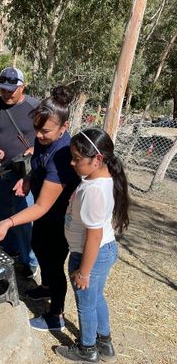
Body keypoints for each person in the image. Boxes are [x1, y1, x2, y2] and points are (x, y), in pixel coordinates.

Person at [0, 85, 80, 331]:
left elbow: (41, 206)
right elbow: (38, 164)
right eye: (36, 128)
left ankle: (56, 315)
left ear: (64, 128)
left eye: (45, 131)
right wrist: (28, 179)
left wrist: (8, 222)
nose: (38, 135)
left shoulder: (63, 156)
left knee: (53, 262)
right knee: (38, 246)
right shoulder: (44, 140)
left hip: (59, 219)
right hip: (45, 215)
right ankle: (46, 287)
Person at [56, 127, 129, 363]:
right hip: (102, 252)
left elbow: (94, 237)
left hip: (90, 256)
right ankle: (104, 343)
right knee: (96, 298)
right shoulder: (98, 179)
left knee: (86, 304)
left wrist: (84, 272)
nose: (72, 163)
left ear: (97, 159)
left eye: (77, 158)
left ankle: (87, 349)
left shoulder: (94, 191)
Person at [0, 66, 39, 278]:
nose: (6, 94)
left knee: (24, 219)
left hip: (26, 173)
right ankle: (8, 251)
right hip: (1, 171)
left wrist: (34, 150)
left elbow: (48, 135)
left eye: (11, 90)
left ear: (23, 87)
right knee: (0, 212)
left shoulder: (35, 107)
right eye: (3, 90)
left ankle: (29, 262)